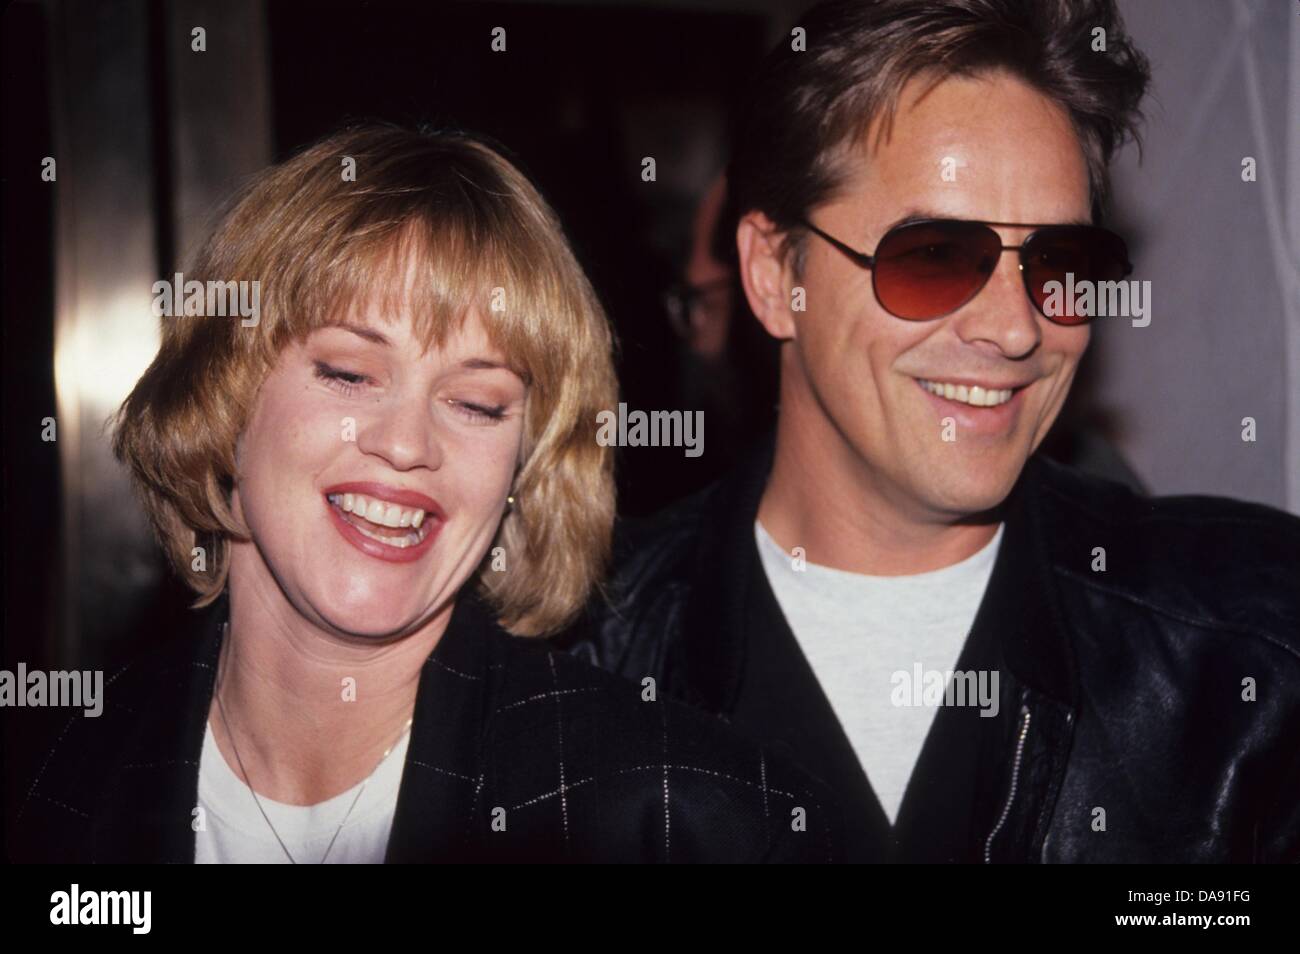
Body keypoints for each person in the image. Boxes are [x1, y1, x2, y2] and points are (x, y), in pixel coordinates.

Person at [565, 0, 1300, 862]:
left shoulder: (1251, 652)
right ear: (771, 275)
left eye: (1060, 264)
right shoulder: (571, 665)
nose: (1018, 329)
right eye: (935, 257)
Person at [12, 123, 840, 863]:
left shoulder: (689, 825)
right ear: (221, 400)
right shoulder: (47, 788)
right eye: (348, 373)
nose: (407, 444)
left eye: (475, 403)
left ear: (525, 467)